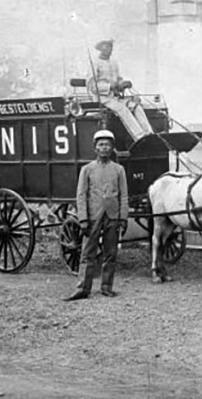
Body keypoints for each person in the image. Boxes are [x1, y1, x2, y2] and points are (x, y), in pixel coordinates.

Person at [65, 129, 128, 301]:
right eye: (101, 145)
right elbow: (81, 195)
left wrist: (123, 218)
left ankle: (106, 287)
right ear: (95, 148)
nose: (104, 148)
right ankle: (82, 289)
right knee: (87, 253)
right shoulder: (87, 169)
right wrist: (83, 219)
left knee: (111, 253)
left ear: (112, 148)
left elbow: (123, 195)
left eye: (107, 145)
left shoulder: (119, 170)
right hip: (93, 216)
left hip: (112, 216)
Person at [87, 39, 153, 141]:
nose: (109, 49)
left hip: (115, 98)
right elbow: (92, 86)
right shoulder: (94, 64)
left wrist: (123, 84)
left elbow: (118, 79)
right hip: (102, 99)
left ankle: (149, 134)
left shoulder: (114, 63)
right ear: (100, 48)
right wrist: (110, 86)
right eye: (106, 46)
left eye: (110, 47)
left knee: (136, 107)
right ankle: (139, 137)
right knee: (123, 109)